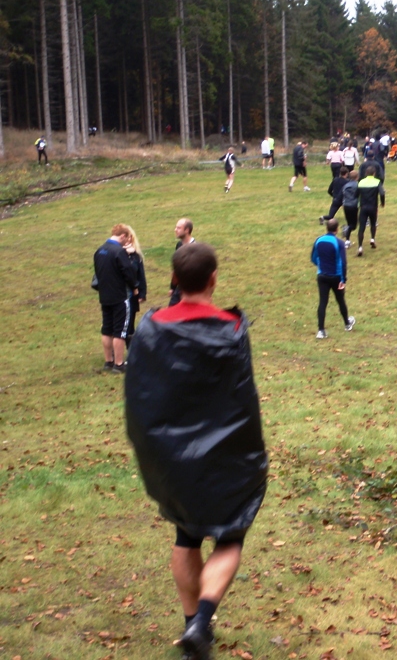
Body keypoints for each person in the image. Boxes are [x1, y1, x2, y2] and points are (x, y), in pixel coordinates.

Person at [124, 242, 268, 660]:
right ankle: (202, 622)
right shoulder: (232, 330)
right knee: (230, 536)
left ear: (174, 280)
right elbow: (242, 398)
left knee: (186, 536)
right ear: (213, 280)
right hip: (225, 457)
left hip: (174, 457)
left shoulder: (151, 329)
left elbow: (142, 394)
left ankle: (193, 630)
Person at [93, 224, 138, 372]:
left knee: (107, 330)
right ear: (123, 236)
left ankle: (108, 362)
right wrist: (135, 286)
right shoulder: (119, 252)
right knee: (120, 331)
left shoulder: (99, 251)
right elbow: (129, 273)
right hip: (120, 296)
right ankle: (119, 364)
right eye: (127, 238)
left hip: (105, 296)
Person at [311, 218, 354, 339]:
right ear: (336, 229)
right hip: (335, 277)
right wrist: (343, 279)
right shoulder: (339, 243)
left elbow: (313, 257)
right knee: (340, 300)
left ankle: (321, 330)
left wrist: (321, 265)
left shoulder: (318, 240)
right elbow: (343, 262)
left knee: (323, 302)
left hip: (322, 276)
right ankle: (347, 323)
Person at [121, 225, 147, 349]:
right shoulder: (118, 255)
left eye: (130, 237)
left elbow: (140, 275)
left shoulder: (136, 256)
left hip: (132, 295)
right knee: (121, 325)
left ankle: (131, 349)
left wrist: (142, 293)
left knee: (130, 323)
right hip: (120, 294)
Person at [356, 164, 385, 257]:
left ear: (365, 173)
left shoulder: (360, 182)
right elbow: (382, 193)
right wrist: (382, 202)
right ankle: (372, 239)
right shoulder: (377, 182)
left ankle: (360, 247)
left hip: (363, 207)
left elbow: (356, 194)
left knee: (362, 227)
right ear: (374, 173)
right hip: (373, 207)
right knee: (373, 223)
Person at [169, 218, 196, 306]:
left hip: (191, 291)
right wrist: (172, 288)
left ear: (187, 230)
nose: (175, 230)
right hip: (179, 289)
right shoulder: (179, 245)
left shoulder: (195, 249)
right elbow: (176, 269)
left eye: (178, 228)